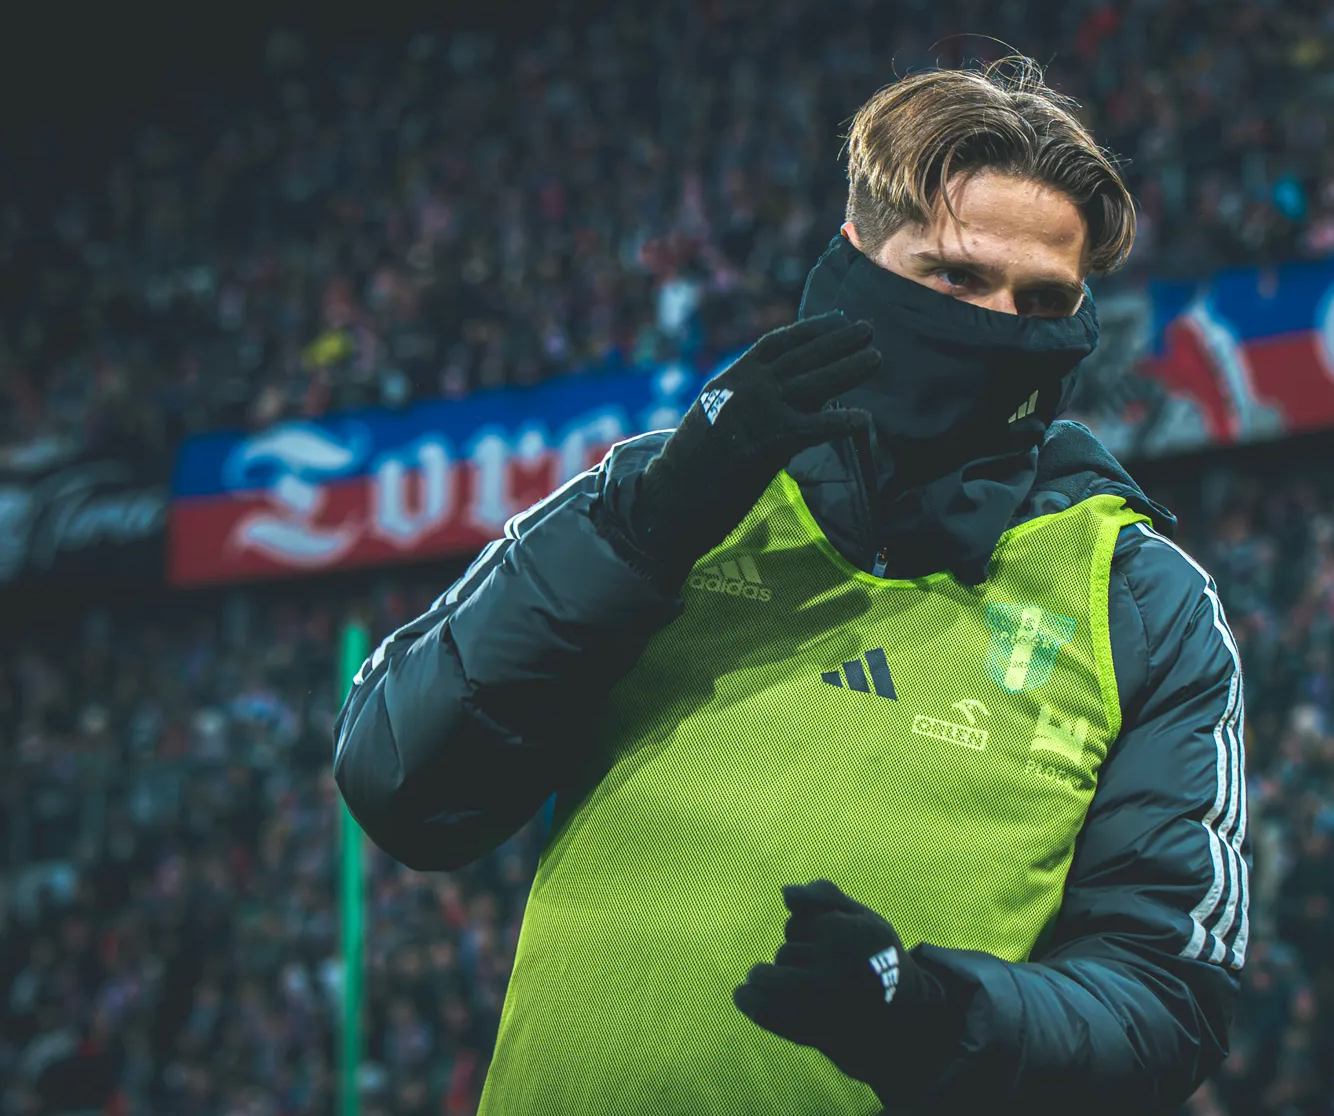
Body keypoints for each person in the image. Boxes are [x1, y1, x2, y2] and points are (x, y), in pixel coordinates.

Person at [334, 60, 1248, 1114]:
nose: (1003, 326)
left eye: (1044, 301)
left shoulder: (1143, 600)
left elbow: (1166, 1000)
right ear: (856, 259)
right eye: (956, 279)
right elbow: (403, 787)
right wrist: (649, 527)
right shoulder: (660, 501)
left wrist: (930, 1016)